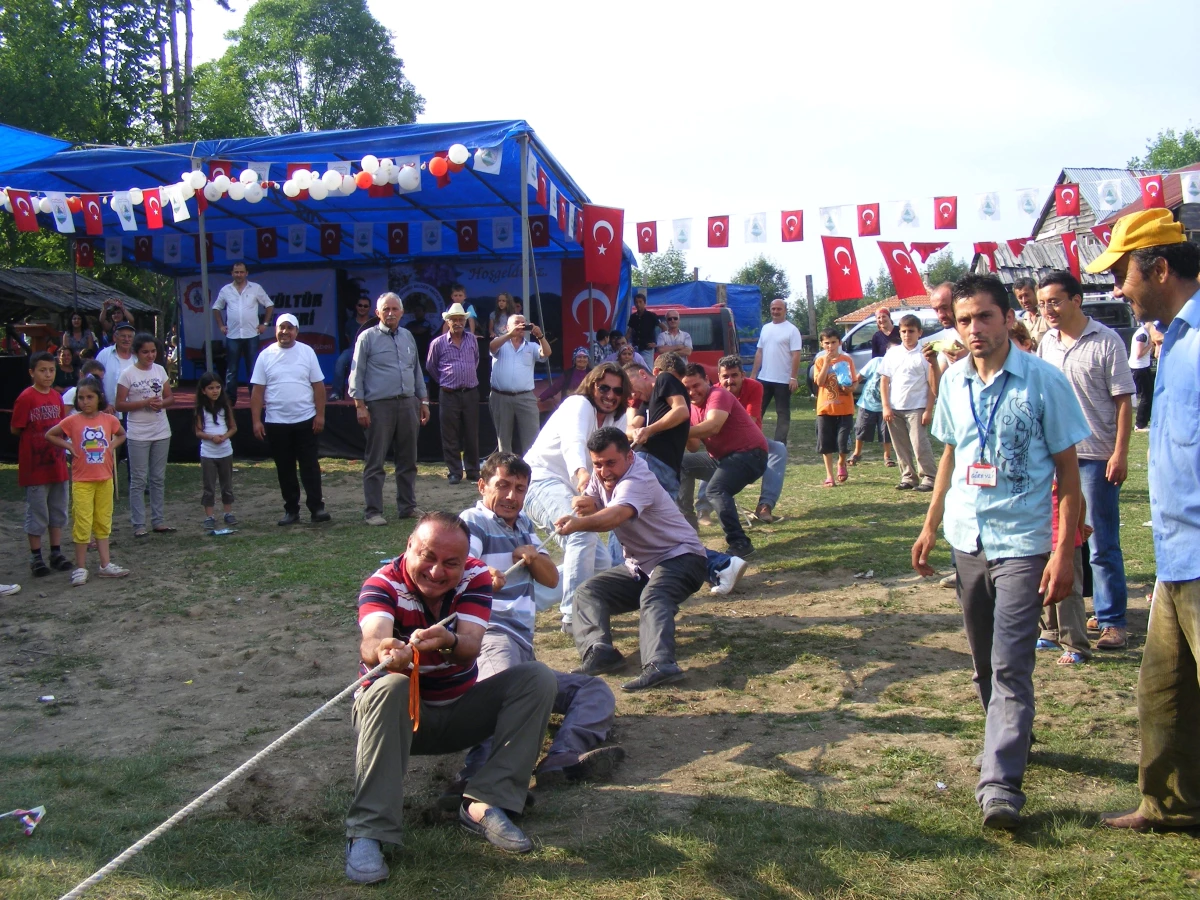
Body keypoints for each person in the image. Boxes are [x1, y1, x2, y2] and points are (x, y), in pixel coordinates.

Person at [911, 273, 1089, 830]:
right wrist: (931, 522)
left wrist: (1064, 552)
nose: (974, 329)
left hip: (1022, 541)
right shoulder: (956, 381)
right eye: (964, 320)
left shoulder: (1042, 381)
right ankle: (1014, 737)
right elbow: (951, 455)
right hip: (968, 537)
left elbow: (1069, 475)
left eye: (985, 317)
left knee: (1012, 661)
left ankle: (1000, 785)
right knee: (984, 660)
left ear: (1009, 318)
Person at [344, 513, 557, 883]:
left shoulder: (475, 577)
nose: (437, 572)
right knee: (391, 684)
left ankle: (485, 801)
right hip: (394, 722)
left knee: (536, 678)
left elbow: (471, 646)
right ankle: (369, 830)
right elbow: (371, 639)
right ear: (409, 546)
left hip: (459, 713)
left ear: (464, 561)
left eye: (450, 563)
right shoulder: (382, 585)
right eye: (427, 556)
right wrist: (384, 651)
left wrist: (448, 642)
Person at [1085, 209, 1200, 832]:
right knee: (1163, 696)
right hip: (1176, 556)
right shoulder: (1173, 339)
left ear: (1157, 268)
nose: (1119, 290)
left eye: (1124, 275)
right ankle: (1171, 806)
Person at [456, 453, 623, 789]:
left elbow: (548, 578)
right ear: (481, 486)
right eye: (502, 486)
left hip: (522, 648)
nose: (511, 496)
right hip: (491, 637)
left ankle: (562, 758)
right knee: (501, 698)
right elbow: (464, 565)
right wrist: (483, 574)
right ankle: (474, 779)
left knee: (594, 691)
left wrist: (531, 556)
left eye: (519, 489)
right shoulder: (472, 521)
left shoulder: (523, 526)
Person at [557, 428, 709, 691]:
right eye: (597, 464)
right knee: (588, 592)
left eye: (610, 463)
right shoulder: (602, 475)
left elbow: (615, 516)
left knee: (654, 595)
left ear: (629, 457)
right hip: (641, 566)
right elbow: (594, 499)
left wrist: (579, 523)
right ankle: (600, 651)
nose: (604, 471)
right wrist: (585, 503)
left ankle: (661, 664)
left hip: (683, 558)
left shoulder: (637, 479)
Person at [1036, 269, 1135, 650]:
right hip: (1055, 458)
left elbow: (1123, 401)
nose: (1049, 309)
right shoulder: (1047, 342)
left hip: (1096, 456)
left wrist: (1120, 452)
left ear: (1076, 300)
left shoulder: (1106, 340)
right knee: (1061, 540)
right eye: (1044, 303)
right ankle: (1061, 622)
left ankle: (1111, 620)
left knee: (1101, 541)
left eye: (1055, 301)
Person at [626, 356, 747, 596]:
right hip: (662, 466)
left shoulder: (664, 379)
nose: (630, 391)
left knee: (627, 524)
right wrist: (636, 422)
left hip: (653, 462)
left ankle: (620, 579)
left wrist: (649, 430)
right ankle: (720, 565)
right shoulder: (648, 400)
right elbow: (631, 427)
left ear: (644, 373)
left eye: (629, 383)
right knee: (660, 533)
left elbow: (680, 412)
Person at [523, 362, 630, 632]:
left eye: (617, 390)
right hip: (539, 480)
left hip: (571, 490)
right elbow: (573, 442)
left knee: (601, 563)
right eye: (603, 387)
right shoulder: (578, 404)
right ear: (592, 385)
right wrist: (582, 473)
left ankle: (518, 599)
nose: (610, 395)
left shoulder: (618, 418)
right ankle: (574, 617)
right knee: (580, 535)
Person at [350, 292, 429, 526]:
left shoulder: (407, 337)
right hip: (379, 406)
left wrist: (423, 402)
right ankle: (373, 511)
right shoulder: (367, 338)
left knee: (408, 460)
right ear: (377, 313)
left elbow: (416, 371)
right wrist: (360, 406)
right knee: (375, 461)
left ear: (402, 313)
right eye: (386, 309)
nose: (391, 313)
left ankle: (407, 507)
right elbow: (357, 374)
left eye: (395, 309)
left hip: (407, 404)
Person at [44, 376, 131, 585]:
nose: (85, 401)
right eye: (81, 398)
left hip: (104, 478)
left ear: (98, 398)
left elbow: (121, 434)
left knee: (103, 521)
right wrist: (69, 447)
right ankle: (81, 567)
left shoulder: (108, 419)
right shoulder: (72, 420)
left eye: (89, 397)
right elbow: (51, 435)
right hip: (83, 480)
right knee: (82, 522)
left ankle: (105, 563)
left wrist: (111, 446)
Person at [679, 364, 767, 558]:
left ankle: (740, 543)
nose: (692, 392)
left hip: (751, 454)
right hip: (723, 459)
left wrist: (675, 431)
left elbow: (713, 427)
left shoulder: (718, 395)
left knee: (715, 490)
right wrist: (679, 424)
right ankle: (688, 527)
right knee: (682, 464)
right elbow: (693, 446)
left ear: (708, 381)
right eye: (686, 388)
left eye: (696, 385)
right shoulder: (690, 408)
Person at [250, 314, 331, 526]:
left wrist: (320, 415)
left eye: (289, 328)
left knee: (310, 466)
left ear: (296, 331)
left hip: (305, 420)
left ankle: (317, 508)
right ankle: (291, 510)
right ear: (275, 330)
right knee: (284, 468)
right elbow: (258, 392)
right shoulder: (265, 356)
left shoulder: (307, 352)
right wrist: (256, 421)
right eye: (281, 328)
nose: (284, 332)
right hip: (276, 423)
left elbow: (318, 386)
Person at [12, 351, 72, 577]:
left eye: (51, 370)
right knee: (37, 511)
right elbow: (16, 428)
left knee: (57, 510)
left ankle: (55, 552)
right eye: (42, 370)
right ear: (32, 372)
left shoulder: (57, 397)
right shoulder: (26, 397)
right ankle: (35, 555)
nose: (48, 375)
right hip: (35, 465)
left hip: (56, 462)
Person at [716, 355, 788, 525]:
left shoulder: (754, 386)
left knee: (778, 449)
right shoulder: (714, 392)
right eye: (725, 376)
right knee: (712, 458)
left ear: (743, 375)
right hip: (724, 444)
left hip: (752, 442)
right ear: (718, 377)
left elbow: (751, 420)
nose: (729, 381)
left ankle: (765, 506)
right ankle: (703, 510)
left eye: (734, 375)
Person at [115, 332, 174, 537]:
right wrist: (143, 403)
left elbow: (169, 397)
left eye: (153, 351)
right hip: (138, 433)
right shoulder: (128, 374)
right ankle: (138, 524)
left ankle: (158, 520)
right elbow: (119, 404)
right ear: (136, 353)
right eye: (145, 352)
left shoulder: (159, 370)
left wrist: (161, 403)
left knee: (158, 477)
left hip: (161, 430)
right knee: (139, 479)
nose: (150, 356)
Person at [1037, 483, 1093, 666]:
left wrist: (1079, 530)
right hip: (1037, 536)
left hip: (1064, 540)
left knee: (1068, 593)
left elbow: (1079, 499)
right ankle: (1050, 632)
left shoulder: (1062, 465)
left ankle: (1075, 645)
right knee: (1041, 586)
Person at [426, 301, 480, 485]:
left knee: (471, 433)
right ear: (447, 322)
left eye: (461, 319)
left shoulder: (472, 339)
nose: (458, 322)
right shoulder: (438, 343)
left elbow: (476, 360)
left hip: (471, 392)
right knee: (450, 434)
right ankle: (455, 472)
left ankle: (473, 471)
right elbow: (431, 367)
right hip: (448, 394)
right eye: (454, 320)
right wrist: (445, 380)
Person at [880, 314, 936, 492]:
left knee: (919, 444)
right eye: (903, 331)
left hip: (917, 407)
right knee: (900, 446)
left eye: (911, 331)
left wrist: (928, 410)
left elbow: (931, 384)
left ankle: (929, 477)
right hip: (895, 407)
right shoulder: (893, 353)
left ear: (919, 332)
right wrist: (886, 406)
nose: (907, 335)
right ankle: (908, 477)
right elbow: (884, 381)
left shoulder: (925, 354)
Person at [488, 314, 550, 455]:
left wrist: (540, 336)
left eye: (524, 323)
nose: (521, 325)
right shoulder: (500, 343)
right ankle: (506, 471)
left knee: (532, 437)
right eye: (517, 323)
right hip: (501, 396)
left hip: (525, 397)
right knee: (503, 438)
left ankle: (531, 470)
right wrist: (509, 335)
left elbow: (546, 353)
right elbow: (492, 347)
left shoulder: (532, 346)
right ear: (507, 327)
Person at [212, 262, 275, 398]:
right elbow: (216, 308)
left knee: (253, 369)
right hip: (233, 336)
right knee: (231, 370)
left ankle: (254, 398)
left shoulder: (256, 288)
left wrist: (265, 323)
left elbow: (269, 305)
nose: (239, 275)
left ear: (246, 273)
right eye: (236, 272)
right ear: (232, 273)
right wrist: (221, 326)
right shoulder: (226, 290)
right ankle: (230, 400)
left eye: (241, 272)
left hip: (251, 334)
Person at [749, 299, 803, 444]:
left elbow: (796, 355)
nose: (775, 311)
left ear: (785, 310)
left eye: (779, 309)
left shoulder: (792, 330)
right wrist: (754, 374)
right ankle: (752, 439)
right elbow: (759, 352)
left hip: (783, 380)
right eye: (773, 308)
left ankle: (780, 443)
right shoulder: (766, 328)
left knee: (783, 413)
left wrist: (793, 377)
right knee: (756, 411)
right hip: (764, 378)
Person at [813, 328, 857, 487]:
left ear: (839, 342)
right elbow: (820, 382)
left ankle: (841, 462)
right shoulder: (819, 361)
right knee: (826, 443)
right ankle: (829, 475)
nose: (830, 346)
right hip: (825, 409)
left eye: (833, 342)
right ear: (822, 344)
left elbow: (854, 381)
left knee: (843, 442)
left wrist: (851, 388)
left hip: (845, 408)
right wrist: (826, 362)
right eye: (827, 343)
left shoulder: (847, 360)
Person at [194, 372, 237, 530]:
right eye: (211, 388)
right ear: (203, 390)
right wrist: (211, 437)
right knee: (209, 486)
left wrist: (224, 437)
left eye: (218, 387)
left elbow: (233, 427)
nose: (215, 391)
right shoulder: (200, 409)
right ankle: (209, 515)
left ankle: (228, 512)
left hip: (225, 451)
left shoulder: (225, 406)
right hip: (208, 453)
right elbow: (198, 432)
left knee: (227, 484)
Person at [332, 292, 377, 400]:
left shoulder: (374, 322)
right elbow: (348, 339)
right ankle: (336, 393)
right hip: (353, 349)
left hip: (370, 350)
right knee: (340, 361)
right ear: (356, 307)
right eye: (360, 305)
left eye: (365, 306)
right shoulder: (350, 323)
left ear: (369, 308)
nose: (362, 308)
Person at [850, 355, 894, 468]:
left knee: (886, 431)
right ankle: (856, 453)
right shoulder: (877, 362)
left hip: (886, 407)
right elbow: (859, 376)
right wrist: (850, 389)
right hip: (867, 403)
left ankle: (887, 456)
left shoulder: (899, 364)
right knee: (861, 428)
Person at [96, 321, 136, 414]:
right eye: (123, 336)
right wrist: (104, 403)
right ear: (115, 338)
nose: (126, 339)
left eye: (129, 336)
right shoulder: (104, 354)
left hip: (133, 412)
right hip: (109, 411)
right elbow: (93, 380)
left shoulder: (137, 357)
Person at [1128, 320, 1156, 431]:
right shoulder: (1142, 335)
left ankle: (1144, 421)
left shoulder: (1146, 334)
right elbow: (1138, 354)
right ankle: (1140, 424)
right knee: (1146, 396)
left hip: (1144, 367)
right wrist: (1150, 345)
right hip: (1139, 368)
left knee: (1150, 395)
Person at [1013, 276, 1049, 346]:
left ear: (1036, 292)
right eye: (1020, 297)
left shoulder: (1048, 315)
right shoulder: (1021, 321)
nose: (1024, 300)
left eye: (1026, 295)